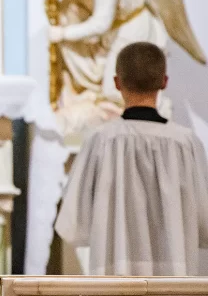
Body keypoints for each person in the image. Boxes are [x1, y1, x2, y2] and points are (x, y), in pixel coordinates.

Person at [56, 42, 208, 275]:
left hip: (116, 271)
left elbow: (72, 223)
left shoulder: (101, 141)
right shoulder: (185, 143)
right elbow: (203, 220)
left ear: (117, 83)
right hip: (174, 276)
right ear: (164, 82)